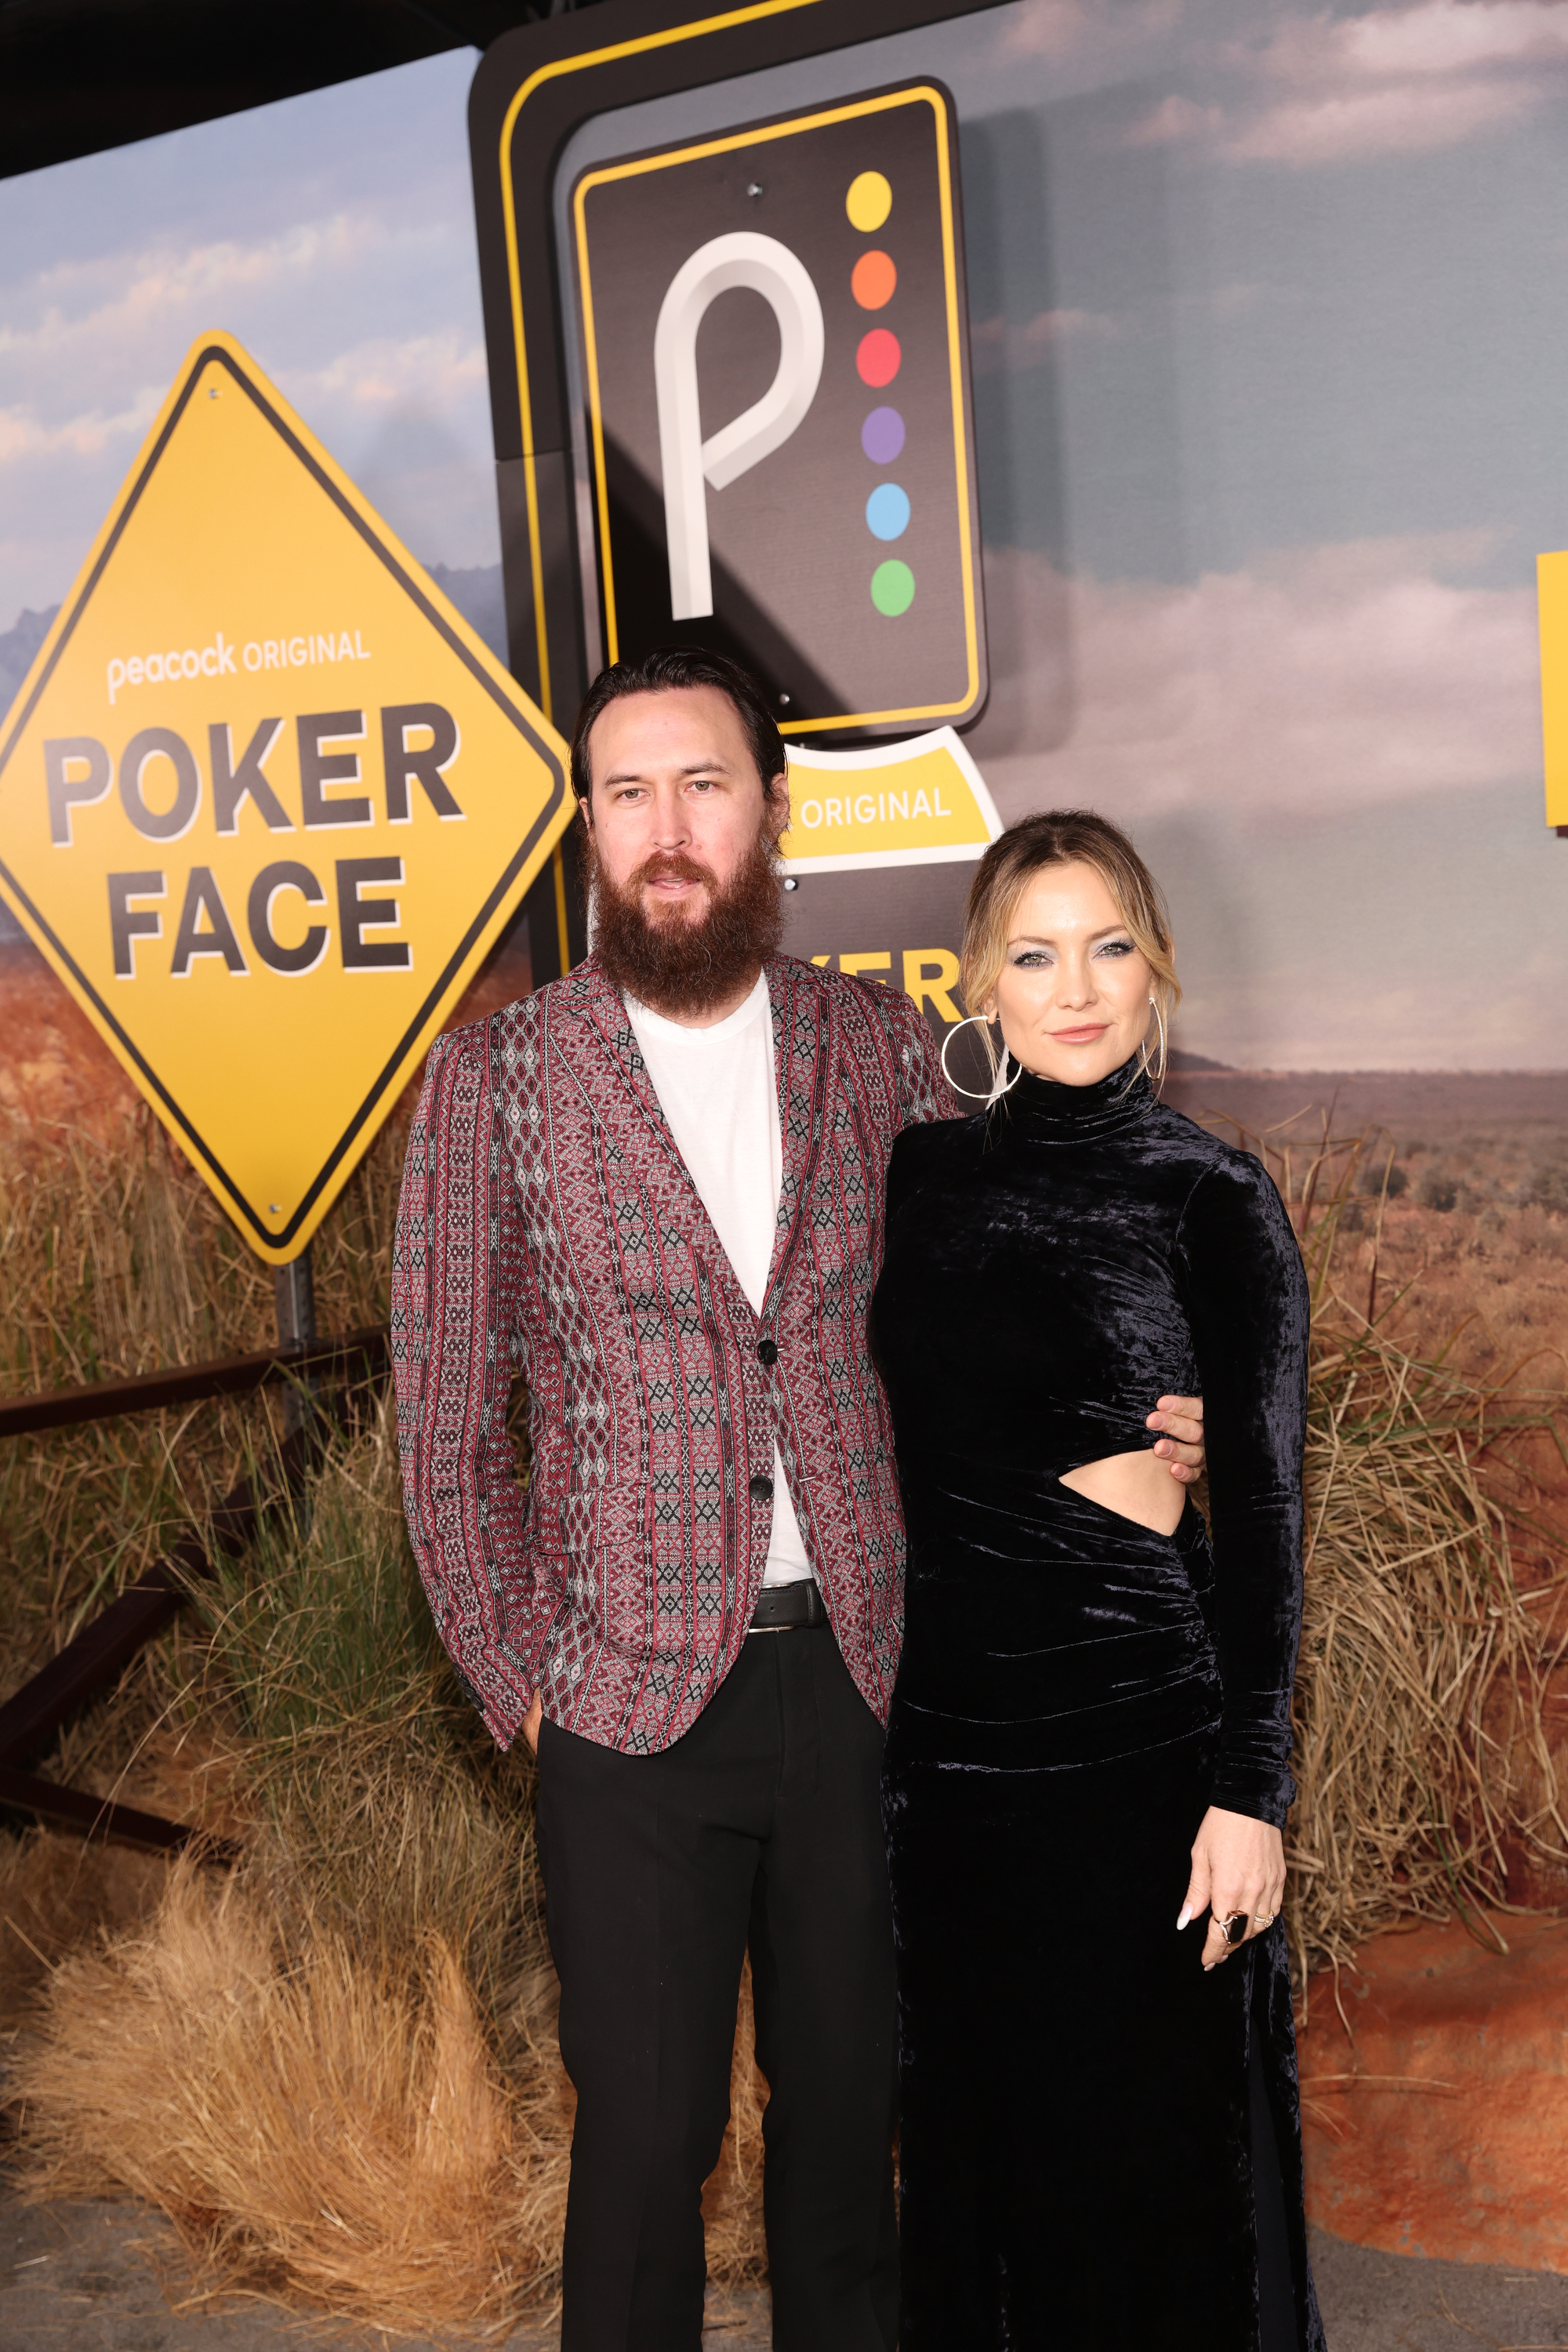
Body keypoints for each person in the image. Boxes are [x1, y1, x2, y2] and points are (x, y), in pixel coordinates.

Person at [391, 652, 1208, 2352]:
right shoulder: (494, 1084)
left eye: (702, 786)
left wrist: (1135, 1417)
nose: (665, 831)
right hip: (620, 1719)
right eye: (626, 794)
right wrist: (522, 1683)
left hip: (863, 1689)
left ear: (769, 809)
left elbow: (968, 1335)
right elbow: (451, 1425)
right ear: (588, 827)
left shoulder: (878, 1046)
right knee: (644, 2152)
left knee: (849, 2147)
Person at [873, 808, 1324, 2352]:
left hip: (1139, 1760)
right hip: (947, 1765)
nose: (1075, 987)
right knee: (979, 2185)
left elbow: (1265, 1524)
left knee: (1147, 2199)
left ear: (1158, 967)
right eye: (1035, 952)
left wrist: (1249, 1795)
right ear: (977, 983)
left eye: (1108, 945)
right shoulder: (917, 1181)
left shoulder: (1215, 1200)